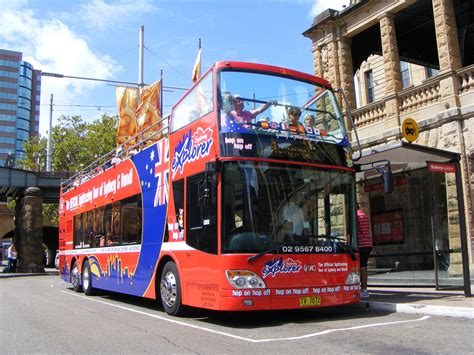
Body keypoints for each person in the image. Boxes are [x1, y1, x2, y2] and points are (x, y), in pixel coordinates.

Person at [356, 203, 373, 298]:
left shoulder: (357, 217)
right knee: (364, 267)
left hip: (361, 245)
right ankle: (364, 288)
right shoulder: (364, 215)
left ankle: (364, 290)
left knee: (361, 268)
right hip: (367, 244)